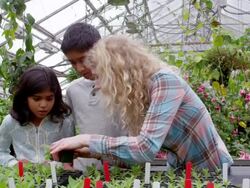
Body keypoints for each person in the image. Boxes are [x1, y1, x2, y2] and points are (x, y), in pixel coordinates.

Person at [51, 35, 234, 171]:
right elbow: (138, 155)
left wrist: (86, 139)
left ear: (120, 69)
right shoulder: (140, 96)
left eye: (102, 74)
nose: (99, 83)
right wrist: (93, 152)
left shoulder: (165, 82)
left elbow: (144, 149)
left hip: (213, 171)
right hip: (183, 172)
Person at [61, 23, 127, 169]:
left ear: (100, 50)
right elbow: (68, 131)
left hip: (124, 171)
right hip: (84, 172)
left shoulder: (125, 84)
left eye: (83, 59)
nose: (79, 68)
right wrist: (67, 164)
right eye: (73, 63)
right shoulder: (73, 90)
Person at [0, 65, 74, 167]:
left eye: (49, 98)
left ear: (55, 97)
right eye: (36, 98)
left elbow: (68, 156)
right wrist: (15, 164)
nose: (43, 105)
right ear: (25, 98)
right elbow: (1, 151)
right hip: (23, 180)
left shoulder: (64, 121)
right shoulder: (11, 122)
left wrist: (56, 165)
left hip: (57, 178)